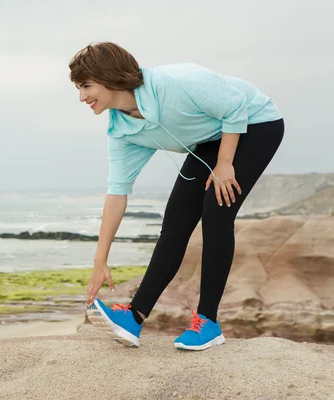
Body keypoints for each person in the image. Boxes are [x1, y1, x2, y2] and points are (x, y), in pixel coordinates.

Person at [69, 42, 284, 351]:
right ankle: (134, 316)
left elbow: (236, 105)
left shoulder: (176, 84)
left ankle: (207, 322)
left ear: (111, 77)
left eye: (86, 86)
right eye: (78, 88)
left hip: (256, 122)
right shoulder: (122, 130)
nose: (82, 97)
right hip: (211, 138)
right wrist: (100, 259)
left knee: (217, 210)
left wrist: (224, 164)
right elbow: (117, 193)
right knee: (175, 223)